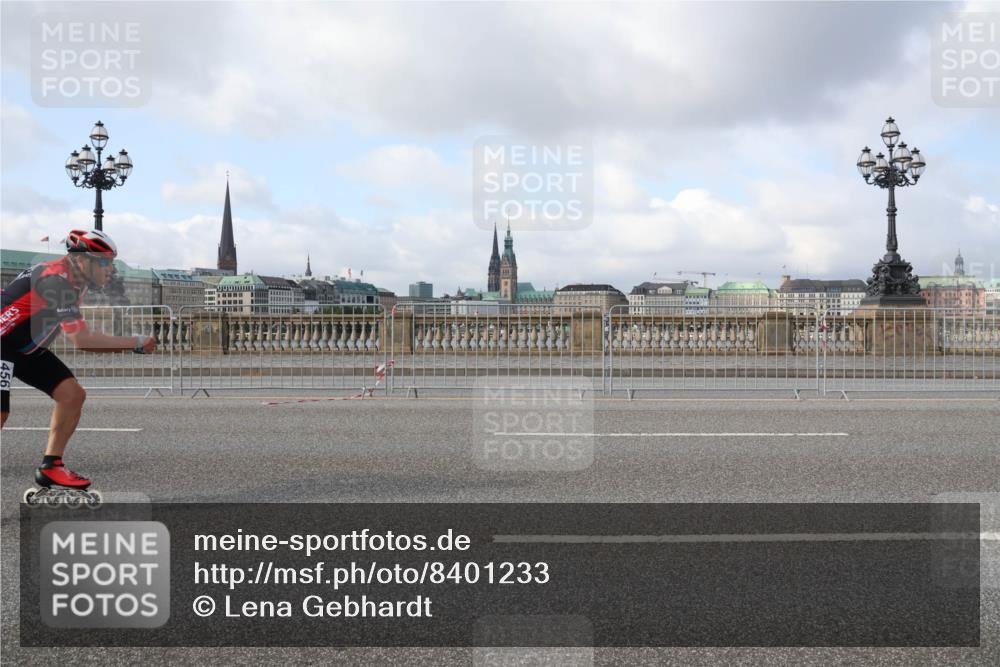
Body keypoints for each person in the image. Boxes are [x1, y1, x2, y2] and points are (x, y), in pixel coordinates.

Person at [0, 229, 156, 492]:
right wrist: (136, 342)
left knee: (72, 395)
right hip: (3, 343)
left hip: (23, 348)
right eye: (105, 262)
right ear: (83, 260)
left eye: (112, 263)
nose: (111, 270)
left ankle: (51, 467)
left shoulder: (75, 280)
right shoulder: (55, 280)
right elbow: (82, 340)